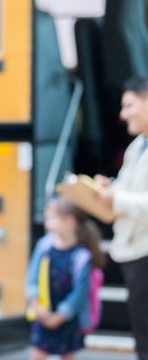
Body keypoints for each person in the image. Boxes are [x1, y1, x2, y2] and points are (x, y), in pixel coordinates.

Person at [95, 76, 148, 360]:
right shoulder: (137, 146)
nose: (123, 114)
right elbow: (131, 187)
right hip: (134, 250)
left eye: (129, 105)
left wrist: (117, 199)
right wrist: (110, 188)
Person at [25, 197, 106, 360]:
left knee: (67, 354)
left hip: (67, 318)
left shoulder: (82, 256)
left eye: (52, 218)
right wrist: (38, 307)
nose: (47, 224)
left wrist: (60, 316)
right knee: (37, 353)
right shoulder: (44, 246)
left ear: (69, 221)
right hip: (44, 312)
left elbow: (79, 294)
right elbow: (32, 278)